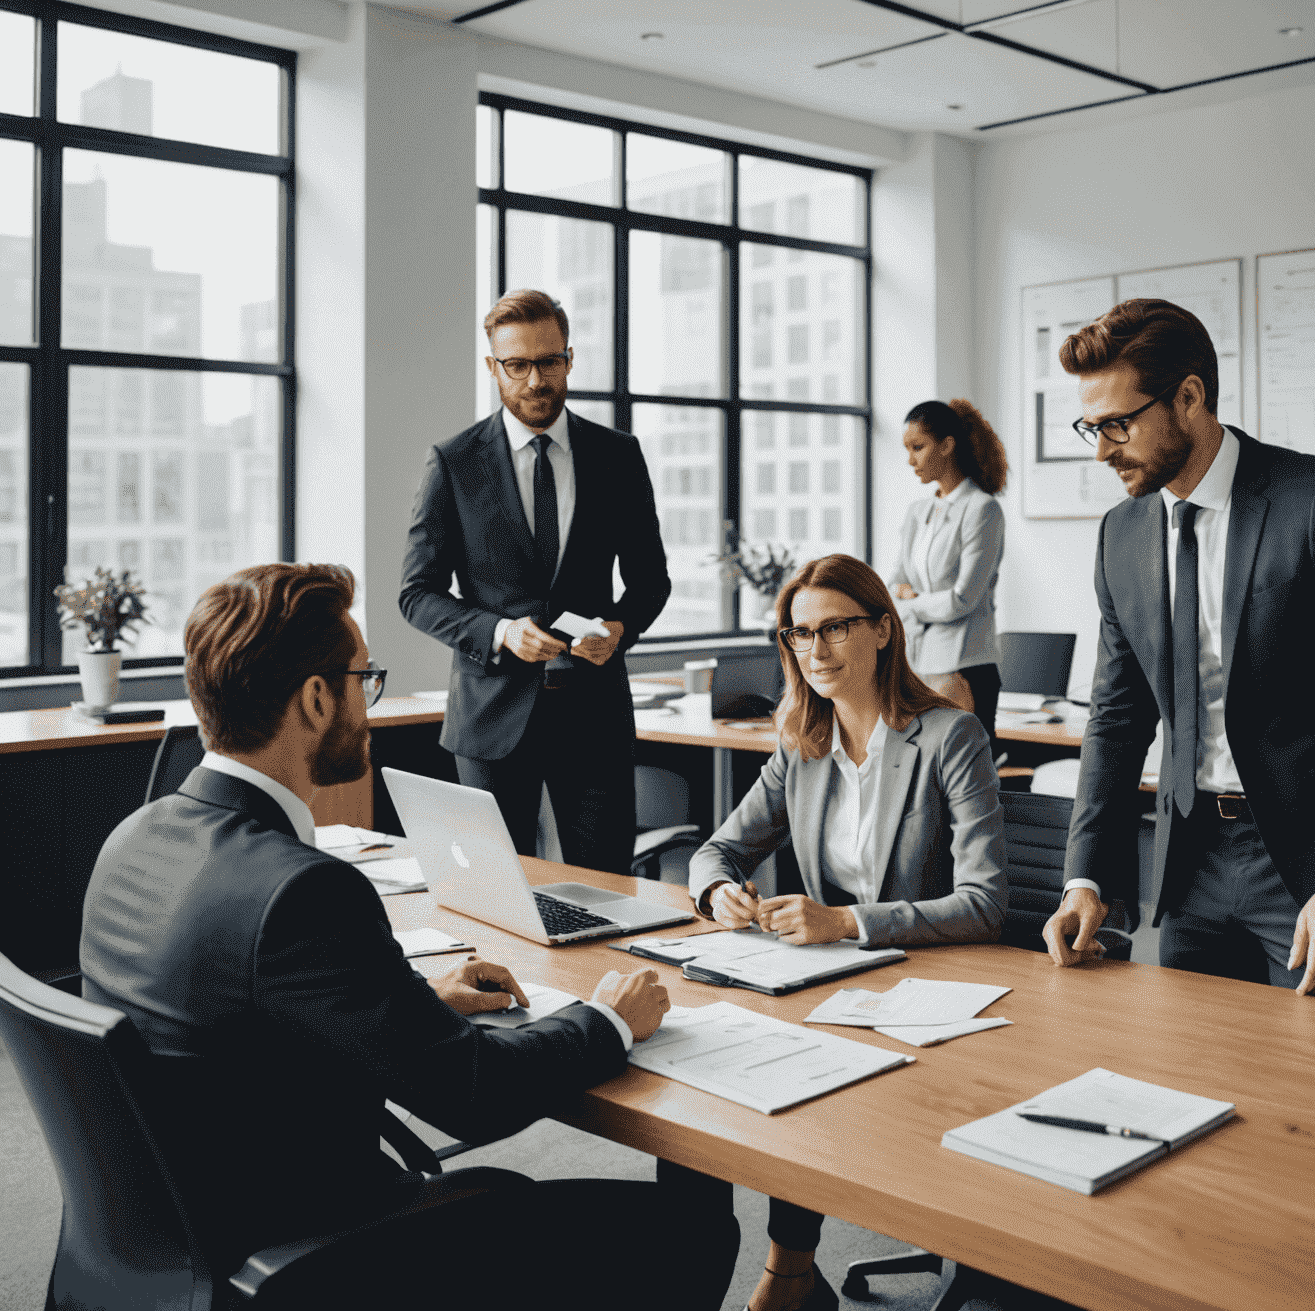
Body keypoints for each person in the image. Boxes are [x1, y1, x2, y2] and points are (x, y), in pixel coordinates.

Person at [79, 563, 737, 1309]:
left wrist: (412, 999)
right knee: (692, 1226)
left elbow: (226, 1015)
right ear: (319, 698)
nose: (368, 697)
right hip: (318, 1256)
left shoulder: (135, 836)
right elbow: (475, 1096)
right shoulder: (303, 890)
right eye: (366, 676)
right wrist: (611, 1018)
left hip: (178, 1246)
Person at [1042, 298, 1315, 1000]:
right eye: (1090, 427)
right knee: (1199, 1075)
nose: (1101, 450)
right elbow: (1116, 716)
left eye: (1118, 425)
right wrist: (1086, 875)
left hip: (1311, 855)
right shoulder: (1121, 535)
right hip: (1188, 857)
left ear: (1188, 396)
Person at [680, 553, 1007, 1311]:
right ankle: (778, 1269)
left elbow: (986, 902)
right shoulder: (801, 743)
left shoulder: (950, 736)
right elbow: (715, 851)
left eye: (836, 629)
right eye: (799, 635)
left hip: (934, 989)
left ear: (884, 631)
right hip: (834, 983)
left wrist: (847, 922)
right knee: (712, 1070)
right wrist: (720, 891)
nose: (817, 651)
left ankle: (791, 1274)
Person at [400, 288, 670, 874]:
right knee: (497, 895)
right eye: (516, 365)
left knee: (607, 892)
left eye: (548, 362)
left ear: (569, 360)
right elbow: (415, 593)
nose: (535, 381)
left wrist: (620, 628)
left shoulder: (618, 455)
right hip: (490, 716)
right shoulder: (454, 461)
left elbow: (652, 581)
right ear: (493, 367)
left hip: (593, 715)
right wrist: (498, 632)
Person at [888, 398, 1008, 742]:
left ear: (947, 445)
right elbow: (895, 582)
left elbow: (962, 600)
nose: (910, 460)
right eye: (907, 449)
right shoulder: (917, 511)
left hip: (964, 666)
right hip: (918, 666)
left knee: (964, 778)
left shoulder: (982, 510)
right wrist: (916, 599)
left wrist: (912, 602)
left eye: (918, 447)